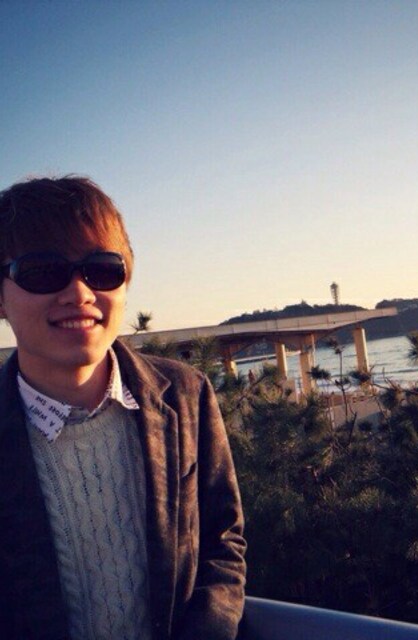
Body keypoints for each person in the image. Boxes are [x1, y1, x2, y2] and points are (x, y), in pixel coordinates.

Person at [0, 176, 246, 640]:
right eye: (42, 271)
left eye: (102, 269)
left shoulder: (185, 396)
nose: (79, 293)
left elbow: (223, 541)